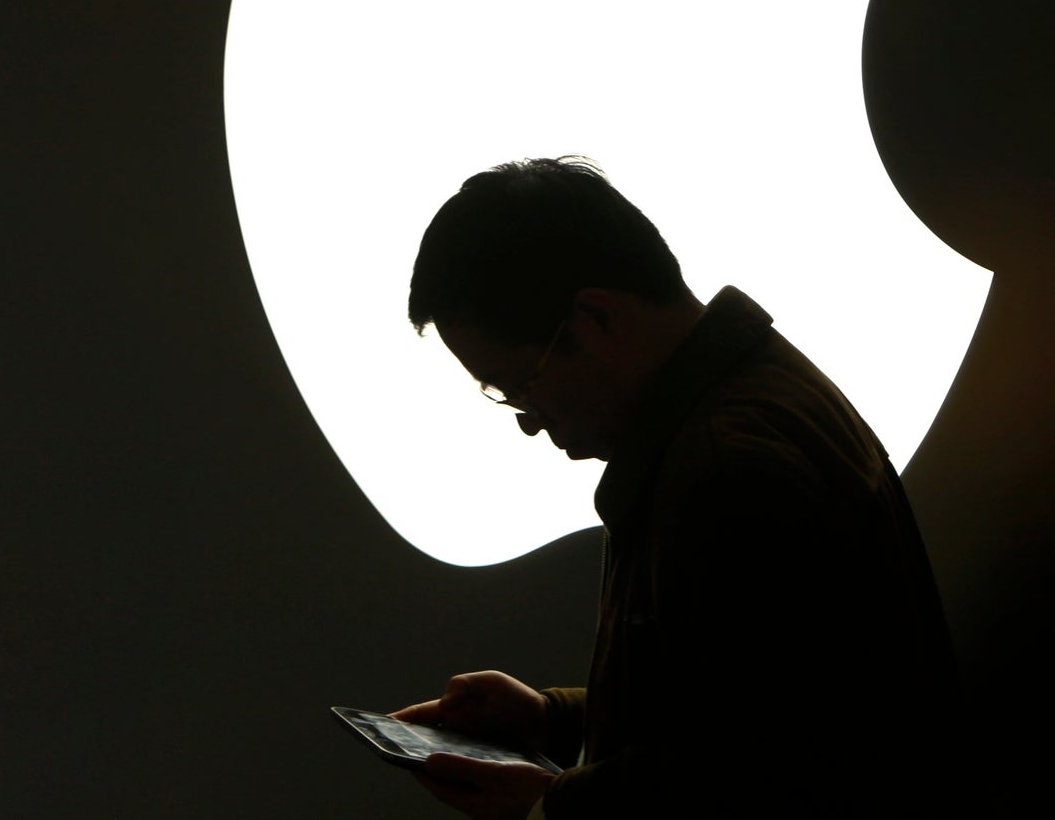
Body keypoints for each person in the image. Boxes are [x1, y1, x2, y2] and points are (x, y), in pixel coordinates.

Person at [391, 157, 959, 820]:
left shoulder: (728, 469)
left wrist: (551, 805)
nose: (527, 421)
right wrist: (555, 718)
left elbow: (770, 771)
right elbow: (757, 705)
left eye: (522, 383)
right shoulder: (756, 397)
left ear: (597, 317)